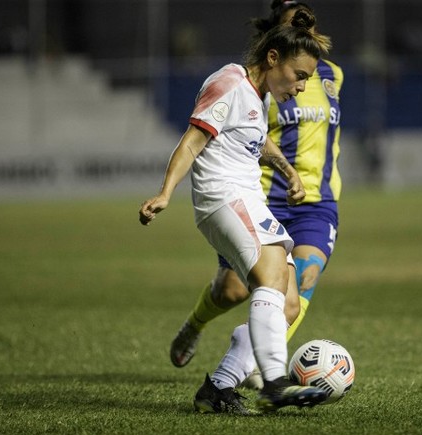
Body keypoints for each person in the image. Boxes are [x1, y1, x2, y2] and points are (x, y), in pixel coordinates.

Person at [139, 9, 332, 413]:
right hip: (223, 198)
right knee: (271, 276)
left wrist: (288, 170)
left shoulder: (256, 97)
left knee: (289, 303)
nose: (300, 87)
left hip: (247, 201)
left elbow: (255, 144)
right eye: (299, 75)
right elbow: (192, 141)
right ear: (274, 58)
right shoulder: (228, 82)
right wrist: (165, 193)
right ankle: (275, 384)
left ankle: (220, 387)